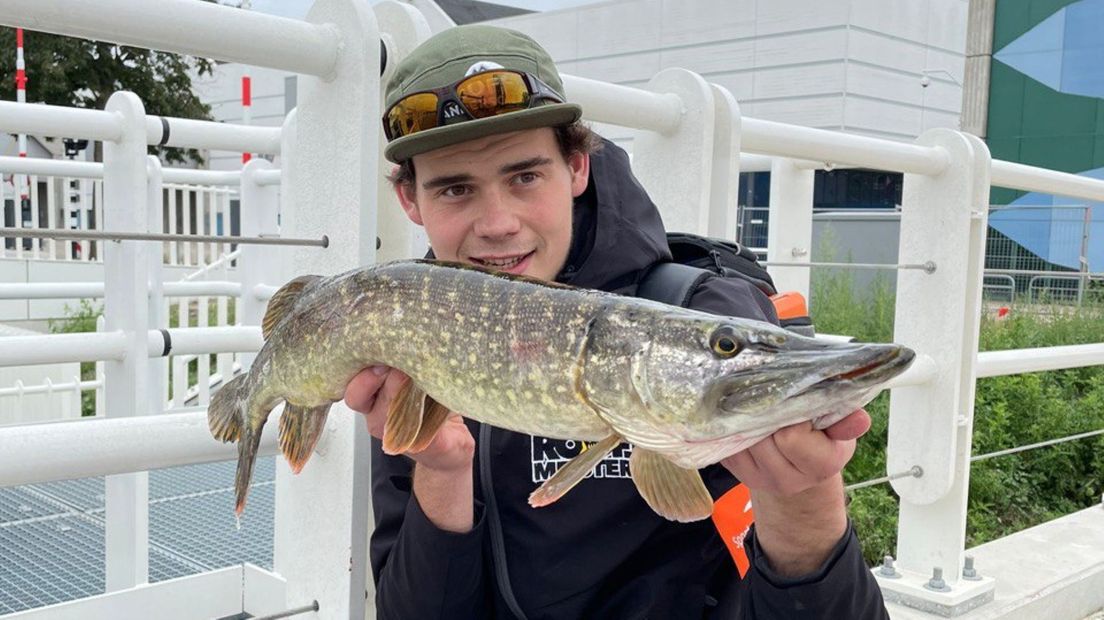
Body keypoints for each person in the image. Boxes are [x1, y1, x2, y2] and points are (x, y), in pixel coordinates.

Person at [344, 24, 889, 619]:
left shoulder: (704, 312)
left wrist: (805, 506)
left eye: (525, 176)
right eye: (454, 189)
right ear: (411, 202)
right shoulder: (417, 338)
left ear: (576, 168)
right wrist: (441, 470)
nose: (497, 223)